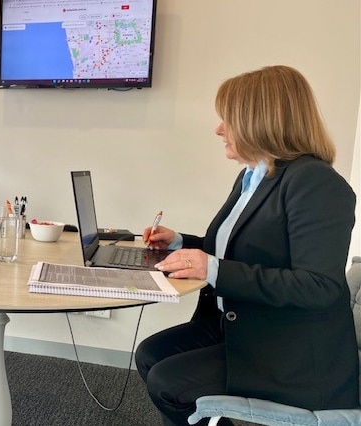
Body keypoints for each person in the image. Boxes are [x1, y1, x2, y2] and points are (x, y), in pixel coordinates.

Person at [134, 65, 358, 426]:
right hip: (241, 323)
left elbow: (320, 286)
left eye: (228, 120)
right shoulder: (254, 174)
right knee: (149, 354)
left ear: (261, 121)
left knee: (168, 383)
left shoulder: (315, 183)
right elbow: (238, 249)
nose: (218, 130)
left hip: (291, 351)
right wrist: (178, 243)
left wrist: (213, 269)